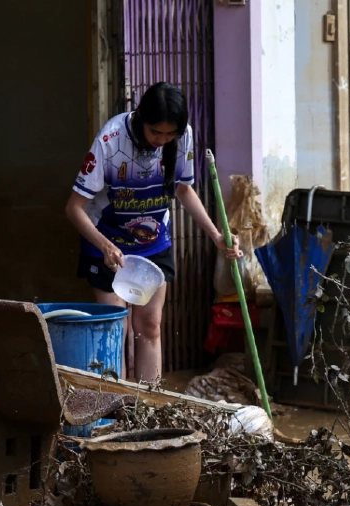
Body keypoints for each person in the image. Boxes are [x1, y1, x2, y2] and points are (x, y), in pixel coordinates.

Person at [66, 82, 240, 384]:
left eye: (169, 134)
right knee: (114, 331)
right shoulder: (110, 140)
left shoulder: (183, 136)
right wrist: (105, 245)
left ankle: (149, 406)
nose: (162, 140)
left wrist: (216, 235)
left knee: (151, 325)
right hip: (107, 243)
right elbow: (74, 208)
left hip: (152, 243)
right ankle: (112, 410)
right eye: (155, 132)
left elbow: (184, 190)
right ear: (140, 119)